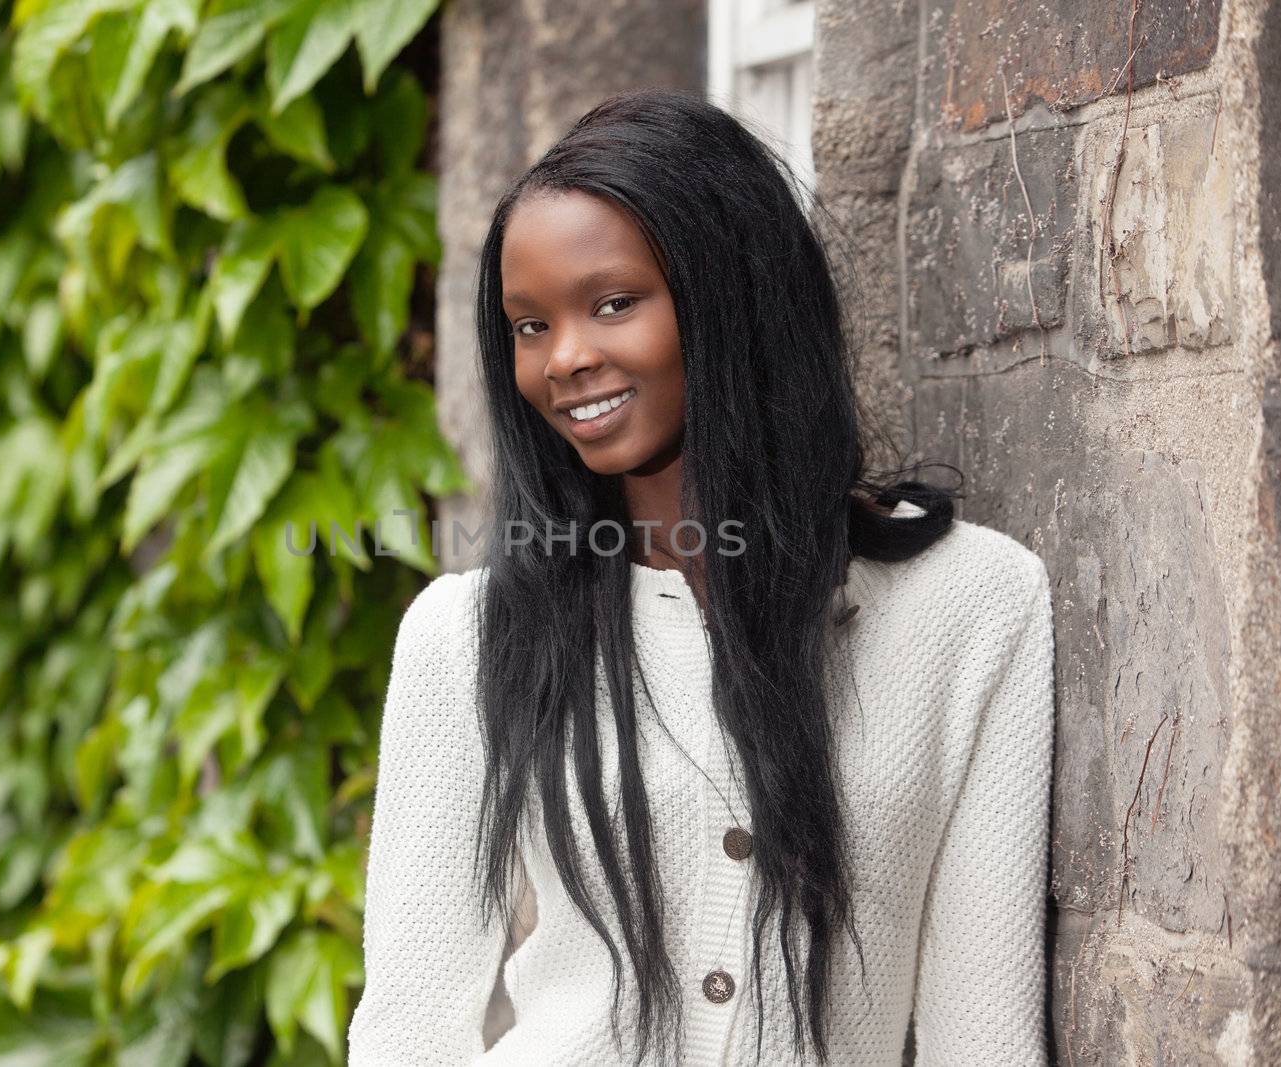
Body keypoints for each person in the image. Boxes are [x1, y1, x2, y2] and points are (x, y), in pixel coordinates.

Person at [346, 87, 1055, 1067]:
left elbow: (985, 1030)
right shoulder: (465, 635)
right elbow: (408, 1028)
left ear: (733, 293)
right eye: (527, 326)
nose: (566, 358)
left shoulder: (974, 603)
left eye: (611, 303)